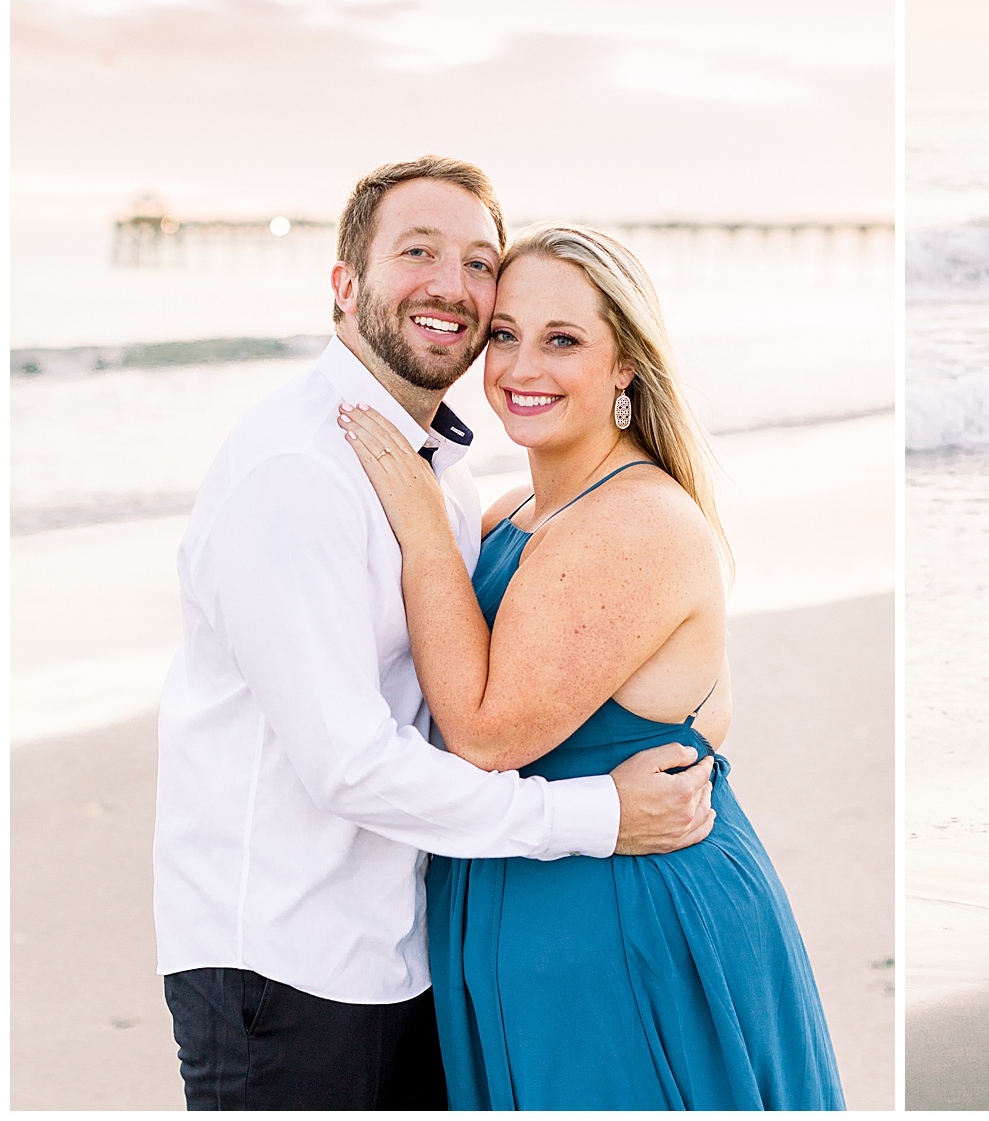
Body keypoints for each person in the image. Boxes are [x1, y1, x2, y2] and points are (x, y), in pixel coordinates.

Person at [154, 157, 716, 1111]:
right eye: (418, 252)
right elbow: (353, 765)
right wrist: (595, 817)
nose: (452, 286)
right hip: (291, 967)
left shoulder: (444, 476)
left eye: (478, 262)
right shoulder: (298, 472)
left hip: (410, 948)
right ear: (344, 286)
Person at [336, 222, 843, 1109]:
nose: (522, 366)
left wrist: (423, 529)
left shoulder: (633, 521)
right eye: (505, 335)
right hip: (527, 898)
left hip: (620, 919)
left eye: (563, 340)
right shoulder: (517, 510)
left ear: (625, 368)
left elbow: (487, 736)